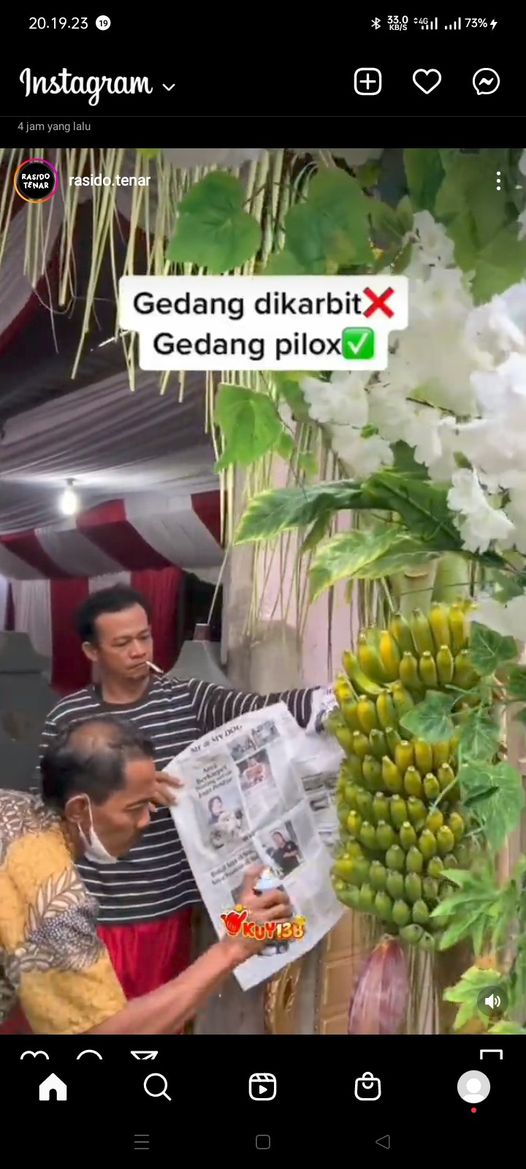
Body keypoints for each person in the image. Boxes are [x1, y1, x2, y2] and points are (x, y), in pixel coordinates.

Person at [35, 584, 327, 1000]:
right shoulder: (67, 717)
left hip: (170, 906)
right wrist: (127, 789)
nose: (139, 651)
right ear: (91, 651)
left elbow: (259, 709)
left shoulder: (187, 698)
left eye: (145, 636)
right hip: (98, 910)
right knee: (101, 1020)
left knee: (166, 1013)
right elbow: (47, 815)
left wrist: (327, 701)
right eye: (122, 643)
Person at [0, 718, 292, 1035]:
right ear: (78, 810)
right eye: (135, 807)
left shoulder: (11, 807)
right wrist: (232, 948)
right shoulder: (54, 899)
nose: (145, 821)